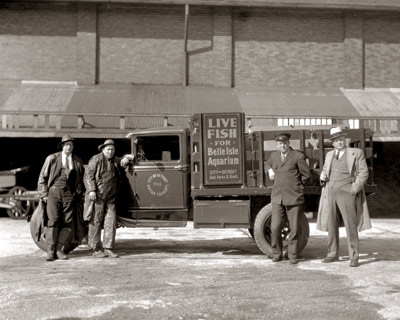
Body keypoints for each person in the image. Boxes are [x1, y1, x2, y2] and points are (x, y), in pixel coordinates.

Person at [317, 127, 372, 267]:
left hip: (347, 192)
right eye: (336, 140)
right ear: (333, 143)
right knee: (331, 224)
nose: (339, 142)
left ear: (345, 140)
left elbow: (363, 172)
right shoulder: (329, 155)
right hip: (330, 192)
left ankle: (354, 256)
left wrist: (354, 189)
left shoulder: (356, 153)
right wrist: (322, 176)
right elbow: (324, 170)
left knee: (350, 225)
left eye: (341, 139)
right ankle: (332, 253)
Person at [265, 133, 311, 264]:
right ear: (277, 145)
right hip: (277, 198)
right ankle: (277, 254)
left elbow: (306, 175)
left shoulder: (297, 156)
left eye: (285, 143)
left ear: (289, 143)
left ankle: (292, 255)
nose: (282, 145)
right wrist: (269, 170)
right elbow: (266, 164)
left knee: (294, 228)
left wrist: (297, 186)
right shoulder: (274, 156)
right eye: (280, 144)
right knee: (275, 227)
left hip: (293, 196)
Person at [38, 135, 85, 261]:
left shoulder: (76, 161)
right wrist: (44, 194)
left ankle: (59, 249)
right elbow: (42, 177)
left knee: (67, 221)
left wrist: (78, 191)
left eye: (70, 145)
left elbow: (80, 179)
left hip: (69, 194)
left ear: (73, 146)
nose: (68, 147)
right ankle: (50, 250)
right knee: (53, 220)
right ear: (62, 146)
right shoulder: (52, 158)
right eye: (66, 145)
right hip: (53, 192)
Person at [84, 139, 130, 258]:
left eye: (112, 150)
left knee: (111, 222)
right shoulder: (96, 159)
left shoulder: (114, 160)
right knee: (96, 221)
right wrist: (91, 190)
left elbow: (123, 160)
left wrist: (126, 158)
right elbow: (88, 176)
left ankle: (108, 248)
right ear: (103, 150)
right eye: (108, 149)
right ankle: (95, 249)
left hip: (110, 197)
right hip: (97, 196)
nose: (110, 151)